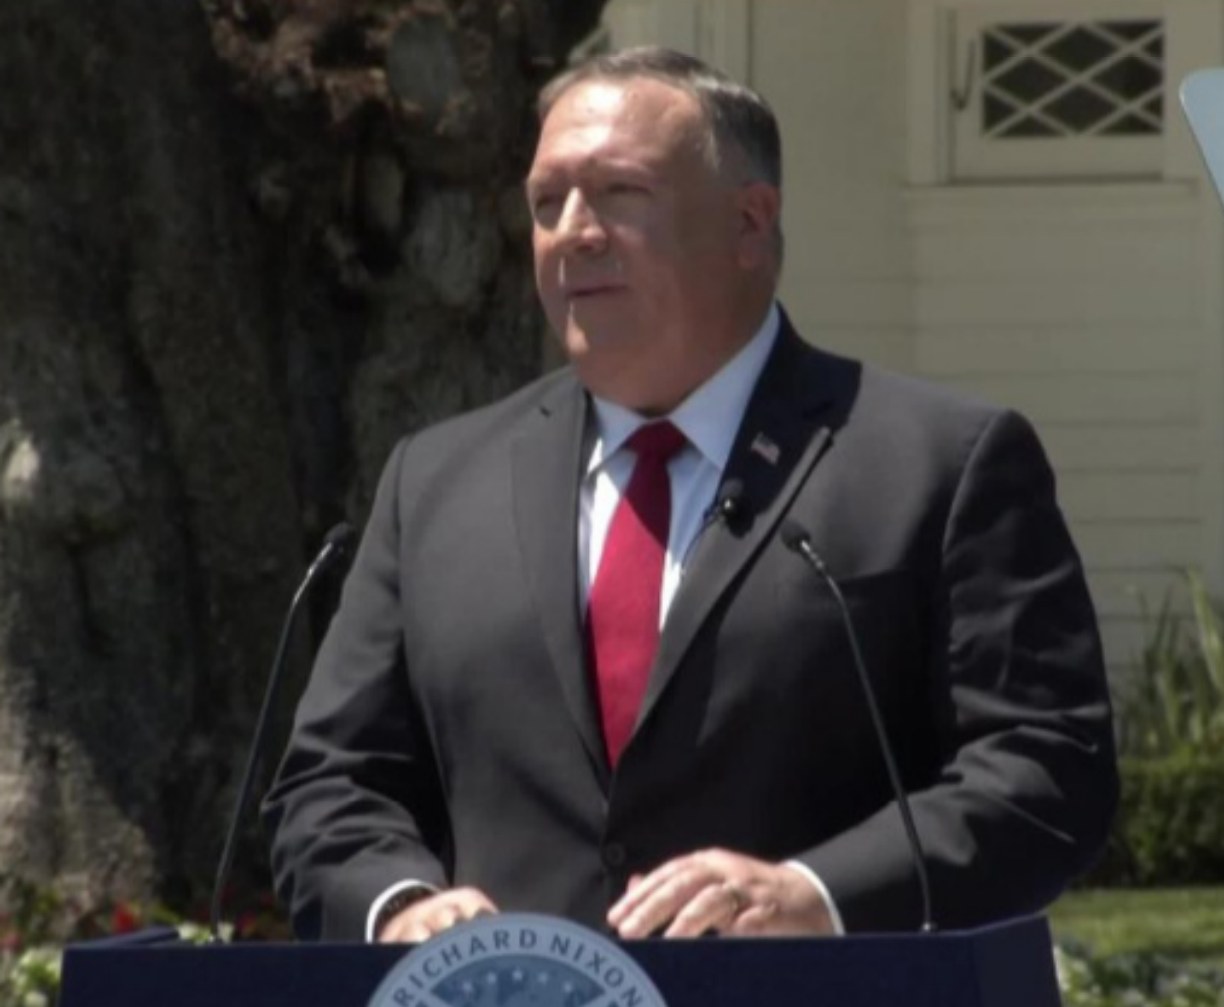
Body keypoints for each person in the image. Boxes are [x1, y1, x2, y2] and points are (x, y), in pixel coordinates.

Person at [263, 46, 1118, 944]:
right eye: (546, 202)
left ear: (751, 222)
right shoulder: (434, 483)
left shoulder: (938, 464)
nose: (574, 231)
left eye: (619, 193)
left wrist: (817, 896)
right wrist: (397, 903)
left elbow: (1046, 771)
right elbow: (331, 784)